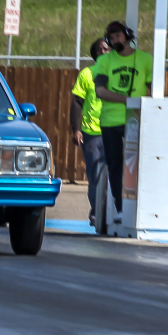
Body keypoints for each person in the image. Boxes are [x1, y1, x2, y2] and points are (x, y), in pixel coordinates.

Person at [90, 20, 153, 172]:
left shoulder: (145, 59)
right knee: (114, 166)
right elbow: (100, 91)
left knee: (137, 165)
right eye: (112, 38)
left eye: (118, 36)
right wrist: (127, 100)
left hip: (135, 119)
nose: (115, 41)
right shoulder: (104, 60)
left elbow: (155, 90)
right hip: (110, 121)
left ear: (127, 36)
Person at [70, 37, 112, 219]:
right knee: (94, 173)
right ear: (94, 54)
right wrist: (76, 129)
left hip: (114, 132)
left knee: (115, 173)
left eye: (106, 49)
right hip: (91, 132)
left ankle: (112, 211)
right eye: (99, 49)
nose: (103, 52)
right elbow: (77, 102)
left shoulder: (118, 74)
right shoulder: (87, 74)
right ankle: (96, 210)